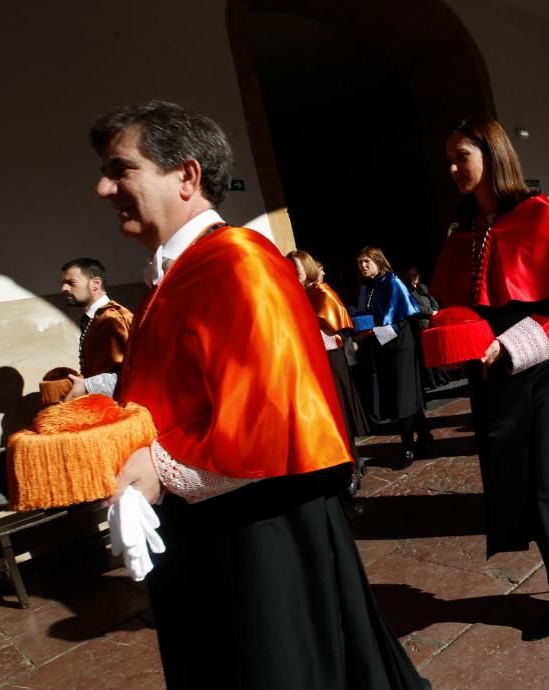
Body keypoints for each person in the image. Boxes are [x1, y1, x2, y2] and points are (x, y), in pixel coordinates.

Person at [89, 100, 429, 689]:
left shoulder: (238, 259)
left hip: (259, 533)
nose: (103, 187)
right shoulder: (171, 275)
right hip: (210, 534)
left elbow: (276, 414)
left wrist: (157, 467)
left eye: (121, 169)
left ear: (187, 176)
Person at [431, 115, 549, 641]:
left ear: (491, 155)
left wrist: (508, 346)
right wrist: (452, 338)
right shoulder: (461, 230)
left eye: (460, 157)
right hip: (491, 380)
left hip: (542, 373)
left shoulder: (538, 215)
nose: (452, 168)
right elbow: (462, 305)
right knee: (519, 486)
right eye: (448, 159)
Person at [288, 249, 370, 493]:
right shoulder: (298, 294)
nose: (293, 274)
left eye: (296, 269)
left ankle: (352, 466)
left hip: (330, 360)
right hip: (313, 361)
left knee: (340, 412)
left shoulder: (321, 292)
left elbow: (335, 331)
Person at [355, 247, 433, 468]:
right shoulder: (366, 288)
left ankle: (407, 447)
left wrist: (373, 333)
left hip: (400, 346)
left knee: (403, 396)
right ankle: (426, 435)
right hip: (381, 346)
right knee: (403, 394)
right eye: (360, 263)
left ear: (378, 261)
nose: (363, 266)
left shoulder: (392, 282)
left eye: (367, 261)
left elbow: (402, 318)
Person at [59, 257, 133, 397]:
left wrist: (87, 385)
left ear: (96, 284)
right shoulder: (92, 317)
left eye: (71, 283)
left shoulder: (114, 317)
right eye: (63, 283)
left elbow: (134, 372)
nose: (63, 288)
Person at [403, 266, 449, 390]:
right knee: (427, 353)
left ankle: (442, 376)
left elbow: (432, 298)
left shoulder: (423, 287)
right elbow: (414, 308)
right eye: (412, 275)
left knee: (436, 350)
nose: (415, 277)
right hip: (421, 324)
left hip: (433, 322)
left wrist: (436, 310)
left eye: (416, 274)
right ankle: (432, 380)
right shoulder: (408, 292)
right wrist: (430, 312)